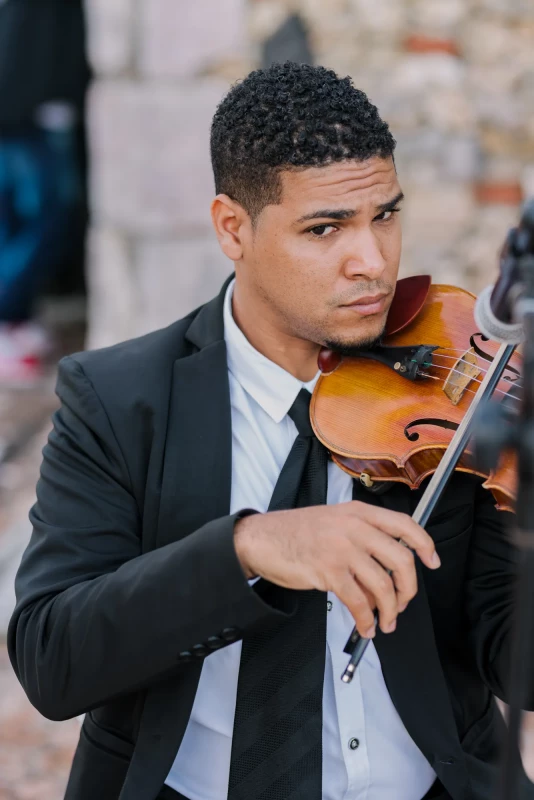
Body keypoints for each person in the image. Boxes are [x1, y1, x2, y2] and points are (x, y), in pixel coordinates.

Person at [7, 63, 531, 800]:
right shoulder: (118, 399)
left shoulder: (454, 396)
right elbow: (53, 658)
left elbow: (512, 650)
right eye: (326, 228)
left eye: (385, 215)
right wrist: (250, 547)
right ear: (234, 227)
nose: (373, 262)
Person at [0, 0, 90, 385]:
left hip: (33, 108)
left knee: (30, 216)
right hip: (26, 112)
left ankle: (14, 318)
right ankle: (7, 317)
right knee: (45, 214)